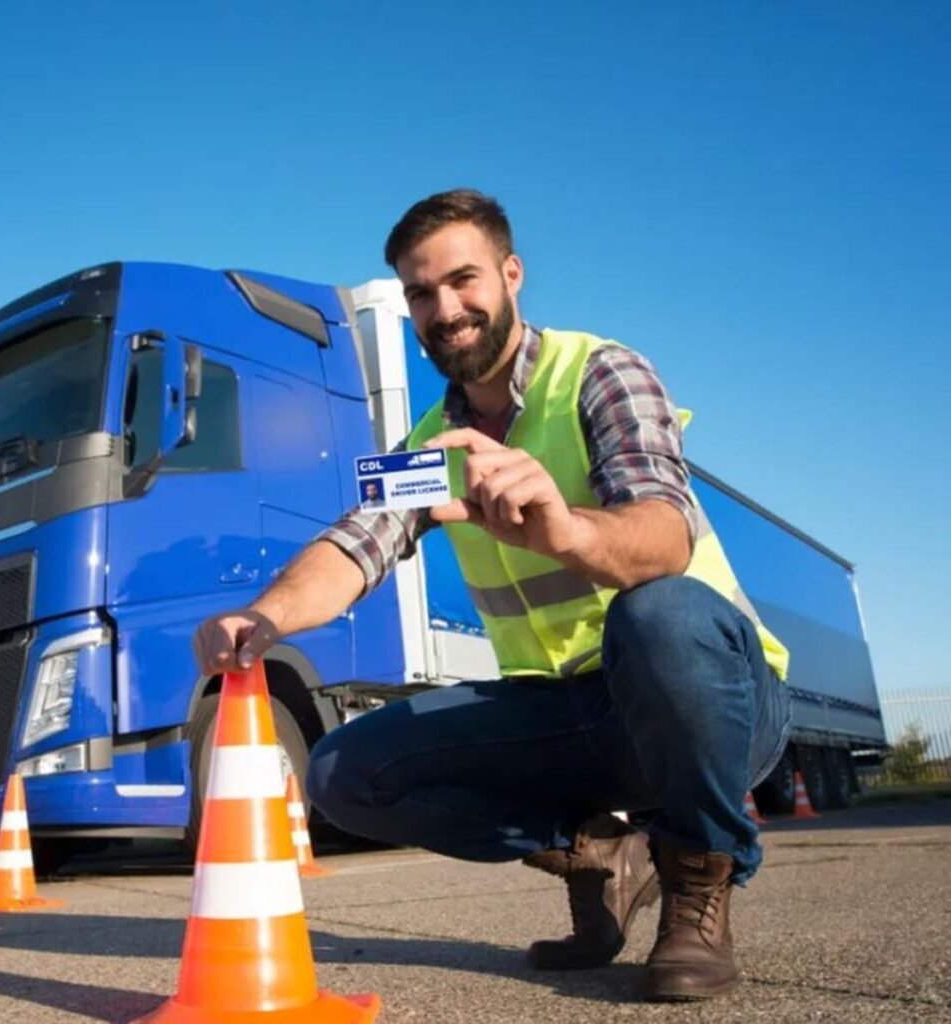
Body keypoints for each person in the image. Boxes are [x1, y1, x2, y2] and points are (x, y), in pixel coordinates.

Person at [193, 189, 792, 1002]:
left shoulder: (601, 372)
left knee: (661, 613)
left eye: (463, 280)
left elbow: (664, 532)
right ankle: (599, 853)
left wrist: (567, 531)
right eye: (420, 293)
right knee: (344, 773)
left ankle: (696, 880)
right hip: (563, 713)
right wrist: (264, 615)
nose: (445, 308)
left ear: (511, 275)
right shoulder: (429, 449)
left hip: (709, 703)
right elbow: (353, 547)